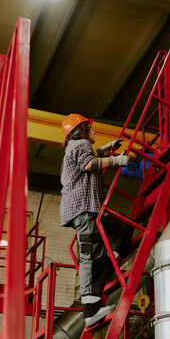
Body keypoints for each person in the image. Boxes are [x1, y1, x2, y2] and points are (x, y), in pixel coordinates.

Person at [60, 113, 133, 327]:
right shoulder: (80, 144)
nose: (95, 132)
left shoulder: (76, 147)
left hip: (90, 209)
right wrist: (116, 160)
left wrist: (107, 148)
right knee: (89, 257)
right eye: (91, 128)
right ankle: (90, 311)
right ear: (81, 130)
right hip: (84, 210)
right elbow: (88, 164)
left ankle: (111, 263)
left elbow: (89, 157)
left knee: (123, 228)